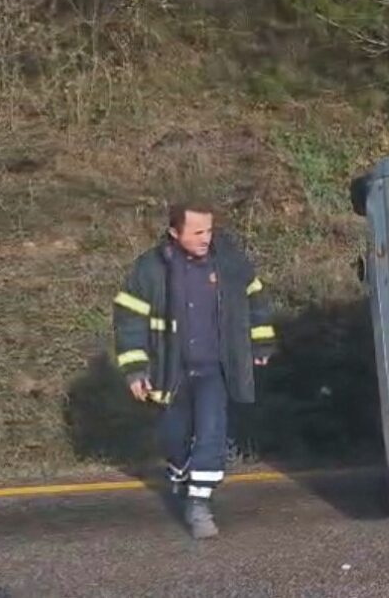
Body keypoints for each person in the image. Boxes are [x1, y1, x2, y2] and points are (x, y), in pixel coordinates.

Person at [112, 200, 276, 539]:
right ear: (174, 232)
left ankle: (199, 504)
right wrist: (136, 369)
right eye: (197, 232)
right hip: (170, 371)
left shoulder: (229, 262)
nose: (205, 238)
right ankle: (180, 470)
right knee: (173, 437)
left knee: (212, 431)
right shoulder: (150, 269)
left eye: (209, 230)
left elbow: (256, 300)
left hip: (215, 369)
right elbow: (129, 320)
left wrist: (261, 343)